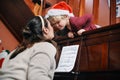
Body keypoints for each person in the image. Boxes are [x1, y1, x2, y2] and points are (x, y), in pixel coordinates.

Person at [0, 15, 58, 80]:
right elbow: (37, 77)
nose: (53, 29)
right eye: (51, 26)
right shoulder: (45, 46)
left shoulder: (15, 51)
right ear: (46, 30)